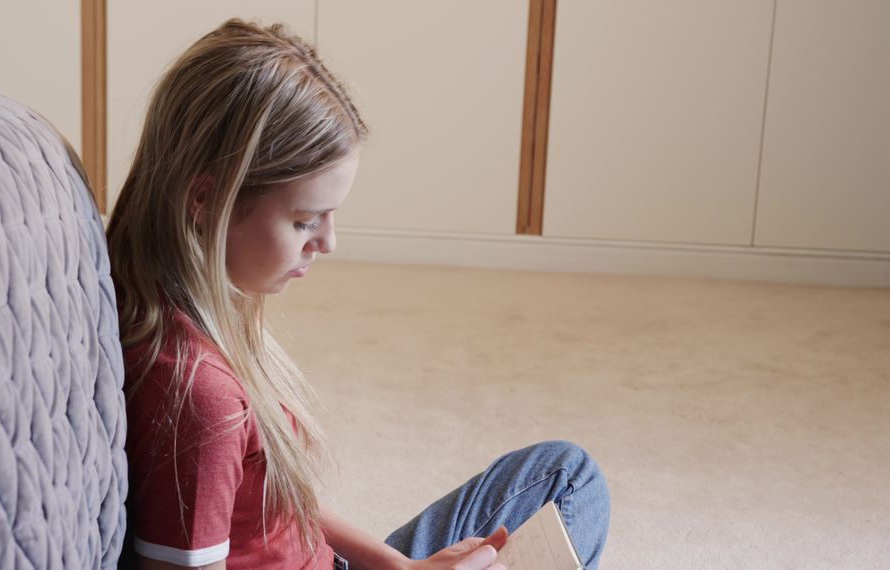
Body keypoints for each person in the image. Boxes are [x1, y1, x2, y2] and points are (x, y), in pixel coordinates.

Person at [106, 19, 610, 570]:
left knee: (566, 475)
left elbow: (281, 504)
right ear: (205, 201)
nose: (328, 242)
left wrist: (404, 567)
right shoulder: (201, 397)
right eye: (304, 221)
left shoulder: (196, 308)